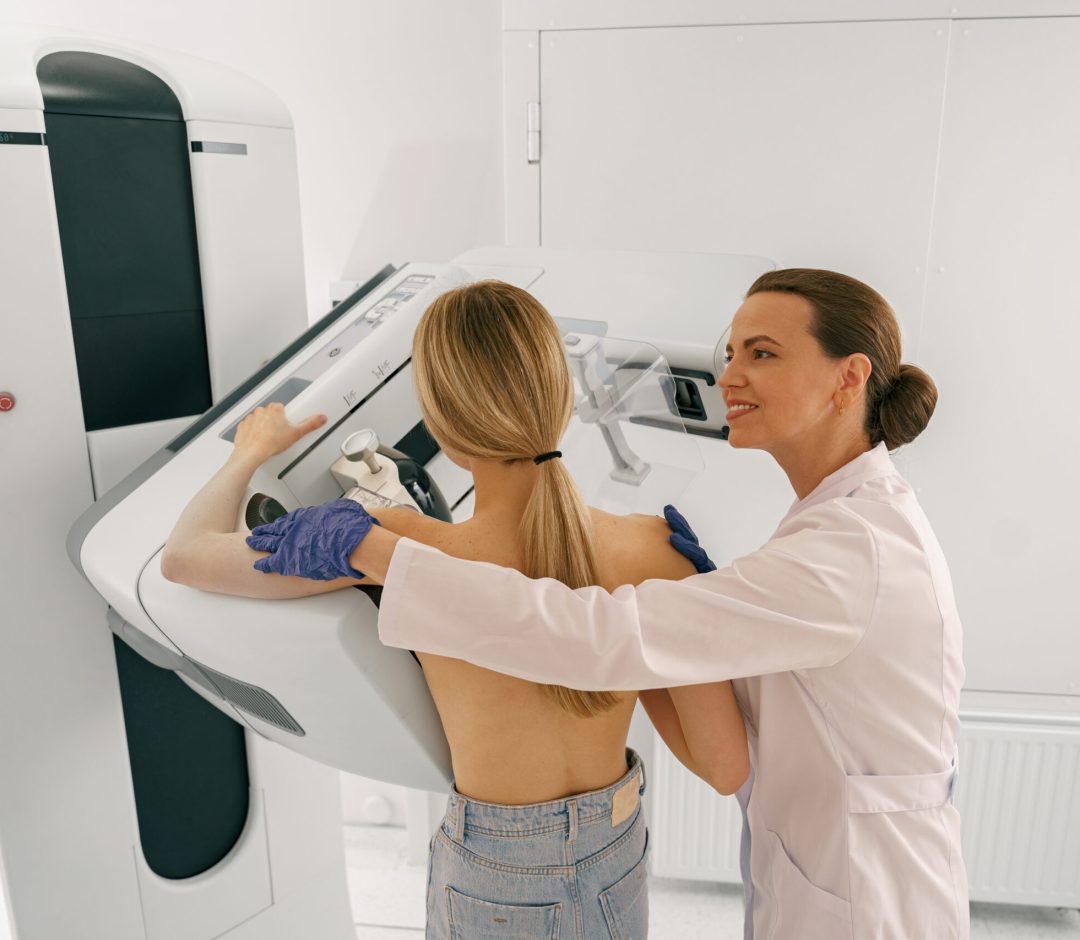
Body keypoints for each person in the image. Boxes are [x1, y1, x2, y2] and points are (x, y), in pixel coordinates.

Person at [252, 268, 971, 939]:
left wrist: (374, 550)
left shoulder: (851, 551)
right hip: (650, 851)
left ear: (849, 379)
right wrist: (686, 622)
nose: (728, 376)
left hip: (867, 893)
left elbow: (595, 639)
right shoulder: (779, 530)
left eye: (762, 353)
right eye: (730, 352)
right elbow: (722, 744)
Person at [161, 280, 749, 940]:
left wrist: (249, 454)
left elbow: (183, 557)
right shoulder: (657, 548)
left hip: (496, 875)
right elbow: (725, 768)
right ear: (560, 401)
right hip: (615, 850)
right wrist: (649, 655)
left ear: (439, 423)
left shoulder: (396, 549)